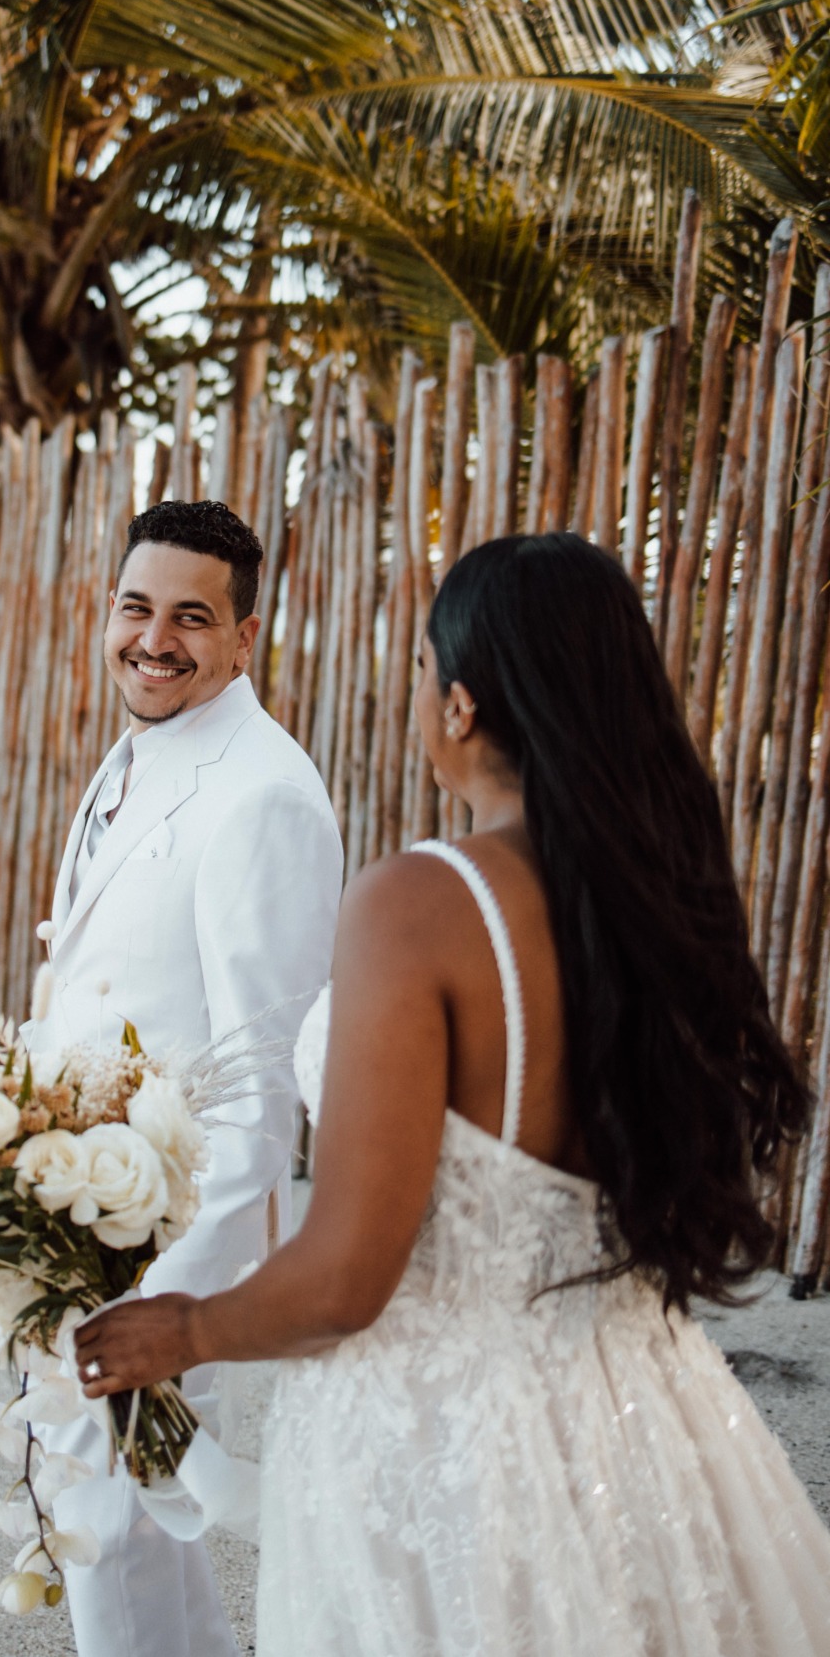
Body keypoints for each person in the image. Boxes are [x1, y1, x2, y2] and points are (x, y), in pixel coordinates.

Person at [76, 531, 830, 1655]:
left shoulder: (422, 904)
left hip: (451, 1452)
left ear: (464, 704)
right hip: (655, 1423)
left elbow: (345, 1278)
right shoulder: (660, 904)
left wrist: (181, 1327)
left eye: (426, 670)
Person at [25, 498, 343, 1657]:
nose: (155, 638)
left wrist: (179, 1308)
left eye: (193, 617)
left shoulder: (264, 794)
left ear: (245, 636)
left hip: (157, 1251)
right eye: (136, 607)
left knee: (117, 1535)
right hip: (77, 1218)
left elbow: (263, 1087)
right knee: (116, 1528)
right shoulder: (138, 746)